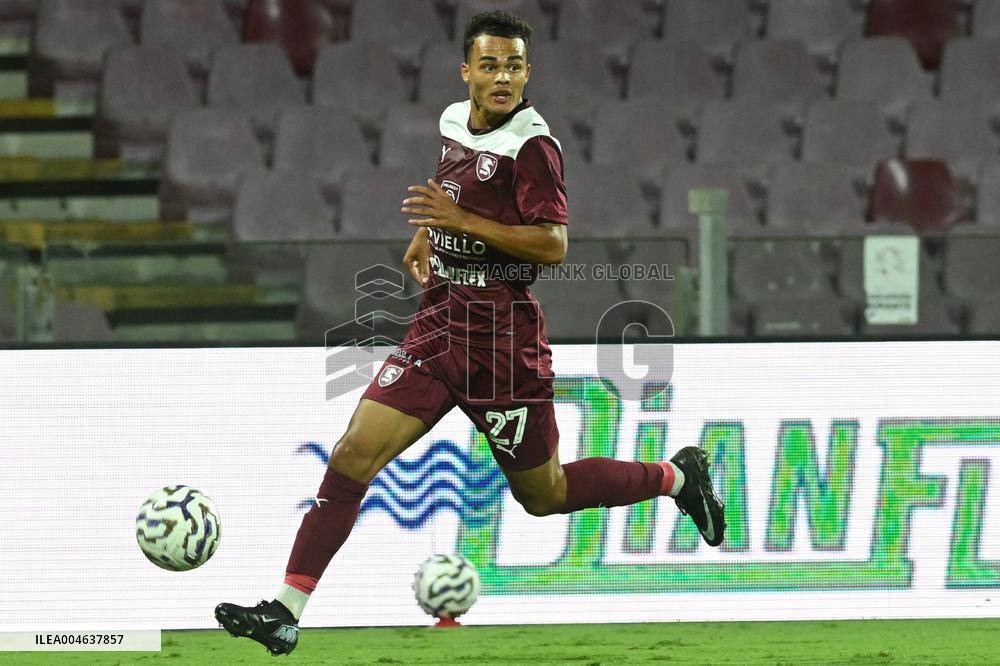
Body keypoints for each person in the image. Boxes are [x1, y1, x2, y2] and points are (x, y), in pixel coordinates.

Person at [215, 11, 725, 656]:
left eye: (513, 65)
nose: (502, 76)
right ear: (467, 72)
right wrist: (431, 232)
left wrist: (459, 219)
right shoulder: (455, 121)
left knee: (546, 496)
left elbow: (553, 244)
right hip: (436, 325)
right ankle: (286, 610)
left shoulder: (534, 146)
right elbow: (458, 195)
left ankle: (677, 478)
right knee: (350, 456)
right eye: (489, 65)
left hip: (500, 344)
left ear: (527, 72)